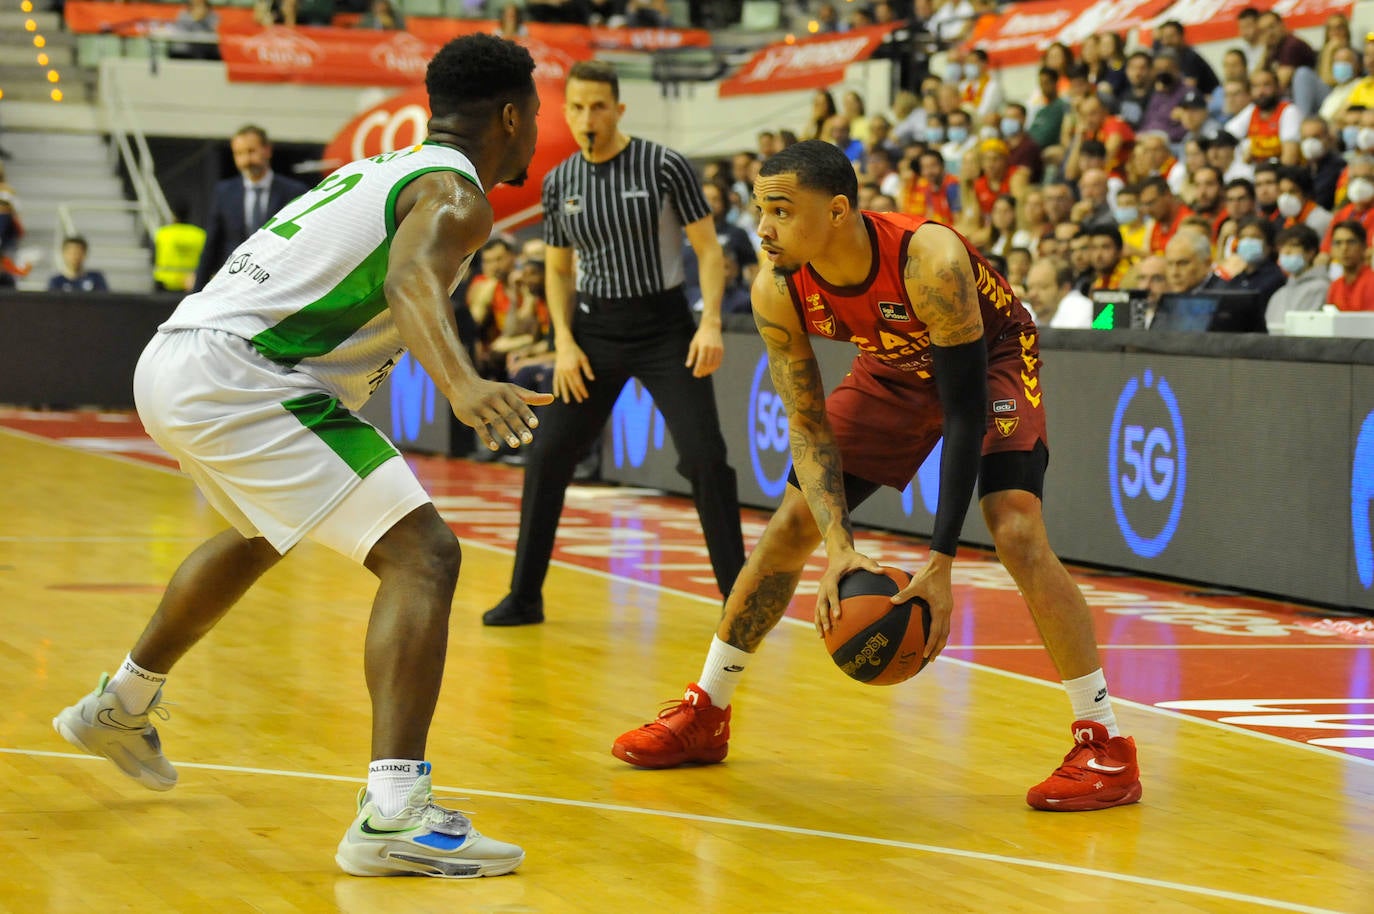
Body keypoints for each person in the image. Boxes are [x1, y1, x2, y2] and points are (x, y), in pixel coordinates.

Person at [52, 34, 552, 878]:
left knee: (260, 533)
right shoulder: (456, 193)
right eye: (536, 114)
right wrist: (463, 382)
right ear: (511, 115)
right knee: (424, 554)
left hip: (180, 358)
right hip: (244, 375)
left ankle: (121, 702)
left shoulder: (384, 170)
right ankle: (394, 810)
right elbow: (407, 283)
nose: (535, 129)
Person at [611, 140, 1142, 813]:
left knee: (1014, 526)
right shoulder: (776, 285)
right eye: (758, 210)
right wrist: (838, 549)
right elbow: (806, 426)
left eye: (780, 210)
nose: (763, 229)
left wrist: (941, 560)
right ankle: (705, 711)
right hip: (891, 367)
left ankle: (1105, 744)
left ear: (837, 211)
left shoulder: (930, 260)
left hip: (988, 363)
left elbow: (962, 412)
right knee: (793, 524)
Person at [482, 60, 746, 627]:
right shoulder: (558, 181)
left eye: (598, 105)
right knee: (548, 457)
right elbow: (557, 271)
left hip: (666, 328)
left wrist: (711, 324)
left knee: (705, 460)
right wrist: (565, 343)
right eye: (575, 107)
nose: (586, 117)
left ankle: (739, 601)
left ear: (619, 109)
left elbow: (707, 250)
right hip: (594, 332)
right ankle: (525, 596)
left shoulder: (665, 165)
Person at [194, 125, 310, 291]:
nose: (246, 160)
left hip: (278, 282)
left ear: (267, 150)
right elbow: (212, 244)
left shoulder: (294, 191)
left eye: (251, 151)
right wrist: (196, 293)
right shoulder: (224, 192)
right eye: (239, 154)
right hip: (234, 283)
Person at [1266, 223, 1327, 330]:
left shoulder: (1320, 288)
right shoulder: (1279, 294)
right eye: (1283, 246)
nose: (1286, 251)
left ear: (1310, 252)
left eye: (1294, 246)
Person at [153, 209, 208, 293]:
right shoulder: (201, 234)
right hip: (190, 282)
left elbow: (153, 256)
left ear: (174, 217)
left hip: (165, 282)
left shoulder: (163, 233)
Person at [1326, 219, 1374, 310]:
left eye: (1351, 242)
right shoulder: (1335, 286)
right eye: (1338, 243)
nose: (1344, 248)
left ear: (1364, 246)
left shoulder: (1372, 282)